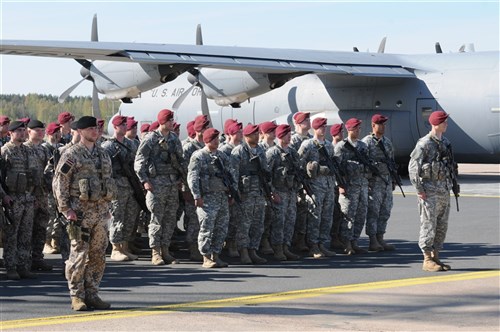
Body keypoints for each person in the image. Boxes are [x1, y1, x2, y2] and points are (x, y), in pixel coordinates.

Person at [53, 116, 116, 311]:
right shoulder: (72, 155)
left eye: (96, 128)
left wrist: (108, 208)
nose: (95, 131)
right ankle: (77, 296)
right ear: (80, 131)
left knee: (98, 255)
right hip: (79, 214)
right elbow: (60, 182)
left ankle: (92, 293)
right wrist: (66, 209)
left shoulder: (103, 155)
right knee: (78, 255)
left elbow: (108, 181)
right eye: (90, 129)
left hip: (99, 213)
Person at [134, 109, 185, 265]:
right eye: (169, 120)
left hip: (171, 184)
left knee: (170, 220)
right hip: (156, 185)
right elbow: (139, 161)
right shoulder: (150, 139)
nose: (172, 123)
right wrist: (145, 181)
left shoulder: (174, 139)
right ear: (162, 121)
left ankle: (165, 250)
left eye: (172, 120)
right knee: (156, 219)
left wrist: (180, 179)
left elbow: (180, 160)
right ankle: (155, 252)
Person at [409, 110, 456, 272]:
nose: (446, 124)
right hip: (428, 192)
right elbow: (413, 168)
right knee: (429, 224)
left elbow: (450, 166)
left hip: (443, 191)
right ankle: (427, 259)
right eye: (444, 121)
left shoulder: (446, 143)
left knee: (442, 225)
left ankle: (436, 256)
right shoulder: (424, 143)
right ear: (437, 124)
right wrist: (419, 189)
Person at [230, 124, 276, 264]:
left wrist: (269, 190)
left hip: (259, 192)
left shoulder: (260, 150)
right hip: (245, 194)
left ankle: (253, 250)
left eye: (257, 134)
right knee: (244, 224)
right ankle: (243, 251)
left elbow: (265, 171)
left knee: (258, 224)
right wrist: (235, 193)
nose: (257, 136)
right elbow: (233, 174)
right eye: (253, 134)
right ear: (246, 136)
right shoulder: (239, 151)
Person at [187, 128, 232, 268]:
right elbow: (192, 177)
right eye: (214, 139)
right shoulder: (198, 156)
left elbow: (230, 174)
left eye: (217, 139)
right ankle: (206, 257)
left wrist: (231, 193)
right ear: (207, 140)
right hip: (207, 198)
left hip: (222, 197)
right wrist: (197, 195)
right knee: (207, 228)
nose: (217, 141)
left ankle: (216, 255)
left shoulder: (222, 156)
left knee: (221, 228)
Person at [1, 121, 37, 280]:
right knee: (11, 234)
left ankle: (23, 266)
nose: (23, 133)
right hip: (12, 198)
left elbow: (34, 175)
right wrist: (4, 196)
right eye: (19, 131)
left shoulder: (28, 151)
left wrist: (34, 195)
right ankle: (11, 266)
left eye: (24, 130)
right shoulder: (5, 151)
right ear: (10, 133)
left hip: (28, 197)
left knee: (26, 234)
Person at [102, 115, 140, 262]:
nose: (125, 127)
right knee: (117, 217)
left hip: (130, 186)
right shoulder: (108, 146)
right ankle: (116, 249)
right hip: (116, 186)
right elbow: (105, 170)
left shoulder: (131, 145)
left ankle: (125, 246)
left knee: (130, 217)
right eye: (122, 125)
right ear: (115, 127)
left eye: (126, 125)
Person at [298, 117, 336, 258]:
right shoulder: (308, 145)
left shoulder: (329, 145)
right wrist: (311, 169)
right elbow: (298, 163)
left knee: (327, 217)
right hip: (315, 186)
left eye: (325, 127)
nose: (323, 129)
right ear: (315, 128)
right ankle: (313, 246)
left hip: (328, 186)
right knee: (315, 216)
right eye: (321, 127)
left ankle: (322, 244)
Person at [334, 118, 370, 255]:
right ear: (349, 130)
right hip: (348, 187)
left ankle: (355, 241)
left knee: (361, 215)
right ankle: (347, 243)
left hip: (362, 186)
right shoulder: (341, 147)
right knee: (348, 215)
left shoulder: (362, 146)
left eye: (359, 128)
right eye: (355, 128)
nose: (358, 131)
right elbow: (336, 168)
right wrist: (340, 185)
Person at [265, 124, 301, 261]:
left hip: (291, 192)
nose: (289, 136)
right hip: (279, 192)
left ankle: (286, 247)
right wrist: (273, 193)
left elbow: (298, 171)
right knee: (279, 222)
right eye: (286, 134)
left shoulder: (292, 152)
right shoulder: (272, 153)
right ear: (280, 136)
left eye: (290, 134)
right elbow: (267, 176)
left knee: (290, 221)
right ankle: (278, 248)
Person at [362, 114, 396, 252]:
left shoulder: (387, 142)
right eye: (380, 124)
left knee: (385, 210)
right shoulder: (367, 142)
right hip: (374, 183)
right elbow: (364, 164)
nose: (383, 126)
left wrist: (393, 179)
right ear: (373, 125)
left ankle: (381, 237)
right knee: (373, 211)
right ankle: (373, 240)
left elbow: (392, 161)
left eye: (384, 124)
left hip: (386, 181)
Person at [24, 119, 53, 271]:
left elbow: (49, 170)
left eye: (42, 130)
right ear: (29, 131)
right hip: (28, 195)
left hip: (43, 194)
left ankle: (37, 257)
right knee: (27, 228)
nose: (41, 133)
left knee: (41, 226)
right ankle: (25, 258)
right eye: (37, 130)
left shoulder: (43, 150)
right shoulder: (24, 149)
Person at [182, 115, 211, 261]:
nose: (207, 130)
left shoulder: (207, 147)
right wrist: (186, 190)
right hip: (193, 190)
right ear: (199, 130)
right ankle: (193, 247)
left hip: (208, 190)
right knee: (193, 220)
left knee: (205, 221)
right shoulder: (189, 148)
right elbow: (184, 171)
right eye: (205, 127)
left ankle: (203, 248)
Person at [218, 121, 243, 258]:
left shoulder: (242, 148)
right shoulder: (224, 150)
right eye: (238, 131)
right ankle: (228, 243)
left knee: (238, 218)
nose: (241, 133)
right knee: (229, 218)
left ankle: (233, 242)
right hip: (228, 188)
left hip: (241, 187)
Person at [289, 112, 312, 252]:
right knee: (299, 211)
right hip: (297, 181)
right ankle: (297, 240)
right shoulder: (294, 140)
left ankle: (305, 239)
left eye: (309, 119)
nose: (308, 122)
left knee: (308, 211)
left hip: (310, 180)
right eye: (305, 120)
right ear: (298, 123)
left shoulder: (310, 139)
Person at [41, 122, 63, 256]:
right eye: (57, 132)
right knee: (49, 216)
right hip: (48, 188)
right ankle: (46, 241)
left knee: (58, 217)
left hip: (58, 188)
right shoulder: (44, 148)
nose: (60, 135)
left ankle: (55, 240)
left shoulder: (59, 148)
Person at [257, 121, 278, 255]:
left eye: (274, 130)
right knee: (261, 216)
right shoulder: (260, 149)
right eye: (270, 131)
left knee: (271, 215)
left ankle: (267, 239)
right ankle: (261, 241)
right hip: (261, 187)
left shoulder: (276, 148)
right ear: (264, 133)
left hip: (277, 186)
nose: (273, 133)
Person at [329, 123, 345, 250]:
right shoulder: (332, 148)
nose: (342, 134)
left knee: (340, 213)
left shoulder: (342, 147)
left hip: (339, 183)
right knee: (335, 212)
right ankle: (334, 237)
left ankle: (338, 236)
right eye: (340, 132)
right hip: (333, 186)